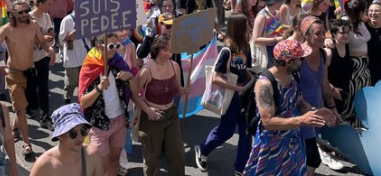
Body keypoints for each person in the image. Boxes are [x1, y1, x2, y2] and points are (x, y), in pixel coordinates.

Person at [243, 40, 337, 176]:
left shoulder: (292, 76)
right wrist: (302, 120)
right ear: (288, 61)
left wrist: (314, 111)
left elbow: (299, 101)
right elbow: (267, 122)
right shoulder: (265, 83)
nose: (303, 62)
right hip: (272, 145)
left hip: (292, 141)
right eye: (300, 59)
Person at [0, 0, 55, 159]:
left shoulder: (33, 26)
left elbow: (42, 42)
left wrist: (50, 50)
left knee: (25, 108)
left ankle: (14, 128)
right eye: (21, 12)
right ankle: (27, 143)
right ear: (14, 14)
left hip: (30, 72)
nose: (25, 14)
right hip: (13, 74)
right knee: (20, 108)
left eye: (27, 11)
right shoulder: (6, 29)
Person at [194, 15, 252, 174]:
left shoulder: (246, 47)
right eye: (247, 25)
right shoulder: (227, 51)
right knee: (226, 130)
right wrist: (237, 88)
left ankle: (240, 168)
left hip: (245, 97)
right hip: (231, 97)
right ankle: (203, 150)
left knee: (246, 132)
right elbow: (216, 78)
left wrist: (254, 81)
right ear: (239, 28)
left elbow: (245, 69)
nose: (250, 28)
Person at [131, 34, 190, 176]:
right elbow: (133, 94)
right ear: (157, 50)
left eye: (171, 49)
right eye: (166, 49)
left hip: (171, 115)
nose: (170, 52)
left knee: (178, 155)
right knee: (152, 160)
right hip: (151, 118)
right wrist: (148, 110)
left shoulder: (175, 66)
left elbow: (177, 89)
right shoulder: (146, 69)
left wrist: (184, 90)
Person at [78, 32, 134, 176]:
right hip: (99, 125)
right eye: (111, 46)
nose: (115, 49)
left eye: (117, 45)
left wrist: (130, 76)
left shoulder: (118, 63)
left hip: (120, 120)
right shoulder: (90, 66)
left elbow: (135, 89)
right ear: (99, 46)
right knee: (99, 167)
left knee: (114, 161)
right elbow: (83, 103)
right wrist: (99, 89)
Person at [298, 16, 343, 173]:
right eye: (318, 33)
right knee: (312, 158)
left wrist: (333, 109)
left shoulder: (323, 54)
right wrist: (308, 109)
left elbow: (324, 84)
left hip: (318, 111)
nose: (323, 36)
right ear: (306, 35)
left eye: (324, 32)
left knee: (304, 158)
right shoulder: (298, 56)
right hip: (300, 112)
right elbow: (291, 88)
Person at [30, 103, 105, 176]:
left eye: (83, 131)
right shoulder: (45, 165)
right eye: (73, 133)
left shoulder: (93, 155)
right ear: (59, 135)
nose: (79, 138)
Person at [28, 0, 57, 129]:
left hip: (42, 56)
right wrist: (40, 39)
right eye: (48, 4)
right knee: (31, 86)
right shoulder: (28, 18)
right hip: (29, 58)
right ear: (39, 4)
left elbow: (49, 29)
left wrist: (50, 35)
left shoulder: (46, 16)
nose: (50, 7)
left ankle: (45, 116)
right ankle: (29, 108)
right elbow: (25, 40)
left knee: (44, 87)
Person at [342, 0, 371, 125]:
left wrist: (361, 37)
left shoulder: (360, 23)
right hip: (353, 63)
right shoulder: (344, 22)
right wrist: (360, 38)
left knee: (363, 89)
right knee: (352, 90)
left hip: (363, 62)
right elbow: (354, 41)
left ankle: (360, 120)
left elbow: (367, 36)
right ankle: (349, 119)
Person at [325, 20, 356, 129]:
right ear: (334, 34)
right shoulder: (329, 52)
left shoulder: (347, 46)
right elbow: (321, 76)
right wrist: (332, 89)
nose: (346, 35)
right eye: (342, 33)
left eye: (348, 32)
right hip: (331, 96)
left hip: (344, 94)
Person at [251, 0, 286, 68]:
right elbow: (256, 39)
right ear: (273, 2)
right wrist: (276, 39)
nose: (282, 3)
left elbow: (278, 29)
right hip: (266, 51)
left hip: (276, 48)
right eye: (280, 1)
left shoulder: (277, 13)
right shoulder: (262, 16)